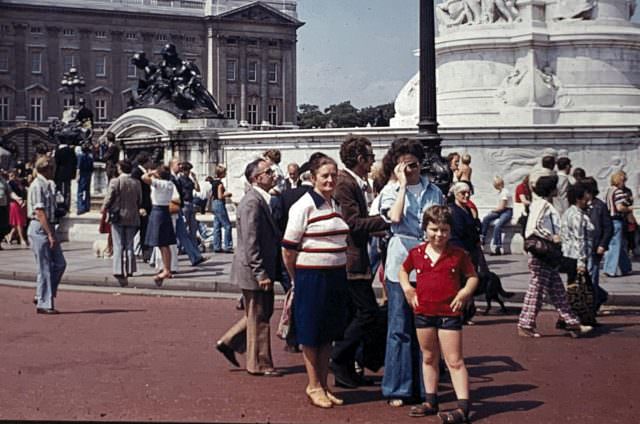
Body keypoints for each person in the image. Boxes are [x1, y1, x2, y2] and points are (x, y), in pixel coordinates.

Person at [379, 138, 445, 407]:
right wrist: (403, 187)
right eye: (403, 165)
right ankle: (398, 387)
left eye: (413, 164)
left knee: (427, 327)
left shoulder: (434, 191)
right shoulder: (390, 190)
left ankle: (424, 385)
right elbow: (394, 219)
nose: (409, 169)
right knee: (399, 327)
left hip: (429, 261)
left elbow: (441, 225)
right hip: (401, 260)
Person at [282, 154, 350, 408]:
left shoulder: (336, 204)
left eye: (334, 175)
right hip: (311, 276)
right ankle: (313, 385)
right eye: (325, 176)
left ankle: (324, 384)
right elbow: (288, 248)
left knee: (328, 331)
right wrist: (294, 278)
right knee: (311, 332)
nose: (330, 180)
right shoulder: (303, 206)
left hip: (336, 274)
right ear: (313, 178)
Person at [398, 205, 478, 422]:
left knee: (454, 360)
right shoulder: (417, 253)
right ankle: (430, 400)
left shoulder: (458, 254)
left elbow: (472, 276)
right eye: (434, 229)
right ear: (425, 229)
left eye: (444, 230)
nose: (439, 234)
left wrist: (464, 293)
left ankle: (463, 407)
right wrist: (407, 289)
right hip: (424, 312)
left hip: (448, 313)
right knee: (429, 356)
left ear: (450, 231)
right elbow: (403, 271)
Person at [330, 135, 389, 389]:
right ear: (359, 159)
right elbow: (352, 223)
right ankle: (340, 357)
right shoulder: (345, 183)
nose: (372, 162)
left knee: (357, 315)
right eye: (370, 158)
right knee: (367, 314)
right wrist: (386, 221)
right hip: (351, 260)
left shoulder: (355, 182)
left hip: (357, 257)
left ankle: (348, 366)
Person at [216, 158, 282, 377]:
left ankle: (229, 341)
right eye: (268, 172)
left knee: (259, 313)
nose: (273, 174)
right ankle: (259, 363)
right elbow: (250, 241)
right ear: (257, 178)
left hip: (258, 266)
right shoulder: (252, 202)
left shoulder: (259, 199)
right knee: (259, 316)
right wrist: (260, 271)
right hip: (254, 268)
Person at [517, 171, 593, 338]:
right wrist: (552, 236)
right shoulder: (542, 205)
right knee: (536, 290)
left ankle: (571, 322)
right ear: (551, 190)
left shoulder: (541, 204)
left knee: (557, 290)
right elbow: (535, 227)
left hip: (545, 254)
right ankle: (525, 324)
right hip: (542, 253)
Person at [27, 156, 66, 314]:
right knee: (44, 267)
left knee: (60, 264)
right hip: (39, 227)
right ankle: (44, 303)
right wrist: (50, 234)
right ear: (47, 169)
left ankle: (41, 293)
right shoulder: (37, 185)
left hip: (48, 225)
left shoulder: (48, 184)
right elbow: (40, 212)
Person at [558, 181, 597, 326]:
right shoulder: (576, 216)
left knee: (577, 289)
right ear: (578, 199)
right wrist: (581, 262)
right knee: (580, 290)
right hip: (575, 257)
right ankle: (572, 318)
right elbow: (579, 239)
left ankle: (575, 318)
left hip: (570, 256)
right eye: (585, 199)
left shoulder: (572, 213)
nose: (588, 201)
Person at [101, 160, 142, 287]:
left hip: (118, 215)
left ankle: (118, 269)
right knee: (129, 244)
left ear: (120, 168)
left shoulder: (116, 181)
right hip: (133, 215)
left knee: (118, 243)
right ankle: (130, 268)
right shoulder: (137, 182)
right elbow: (139, 200)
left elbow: (109, 197)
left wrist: (104, 207)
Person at [141, 165, 178, 286]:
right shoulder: (170, 184)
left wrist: (151, 172)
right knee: (165, 243)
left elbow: (144, 177)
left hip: (157, 211)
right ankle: (167, 268)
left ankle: (166, 269)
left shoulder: (159, 183)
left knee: (162, 243)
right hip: (165, 211)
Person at [583, 177, 613, 311]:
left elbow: (608, 228)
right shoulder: (581, 206)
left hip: (594, 247)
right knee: (585, 277)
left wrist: (603, 244)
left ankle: (592, 305)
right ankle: (600, 295)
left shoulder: (600, 206)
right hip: (582, 247)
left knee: (592, 275)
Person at [603, 170, 634, 277]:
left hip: (609, 220)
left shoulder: (609, 190)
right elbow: (620, 207)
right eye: (623, 180)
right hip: (617, 219)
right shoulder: (619, 191)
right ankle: (610, 269)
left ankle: (626, 267)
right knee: (615, 245)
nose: (624, 182)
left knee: (619, 246)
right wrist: (630, 208)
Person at [480, 176, 513, 255]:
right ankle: (482, 237)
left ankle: (497, 246)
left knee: (498, 226)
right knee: (486, 219)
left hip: (507, 211)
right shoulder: (501, 192)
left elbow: (502, 207)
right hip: (503, 211)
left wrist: (492, 211)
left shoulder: (505, 192)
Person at [131, 152, 153, 262]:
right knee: (135, 231)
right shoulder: (136, 172)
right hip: (141, 207)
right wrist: (139, 206)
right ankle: (132, 252)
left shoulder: (144, 172)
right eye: (149, 160)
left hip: (147, 206)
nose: (151, 162)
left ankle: (145, 254)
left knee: (145, 231)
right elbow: (136, 191)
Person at [210, 164, 233, 253]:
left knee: (217, 225)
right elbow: (220, 196)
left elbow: (213, 195)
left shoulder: (213, 183)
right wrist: (227, 194)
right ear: (222, 174)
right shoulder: (219, 184)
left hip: (214, 203)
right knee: (227, 225)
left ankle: (217, 246)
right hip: (219, 203)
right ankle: (228, 246)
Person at [54, 142, 77, 213]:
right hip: (68, 172)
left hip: (60, 172)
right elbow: (75, 162)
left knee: (59, 189)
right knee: (67, 190)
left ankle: (60, 204)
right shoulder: (71, 151)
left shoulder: (58, 151)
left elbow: (56, 163)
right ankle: (67, 206)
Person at [6, 170, 28, 247]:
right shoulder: (10, 183)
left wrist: (24, 200)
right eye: (11, 175)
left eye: (14, 175)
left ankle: (9, 236)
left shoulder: (19, 183)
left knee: (18, 222)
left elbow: (24, 193)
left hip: (21, 203)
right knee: (19, 222)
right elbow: (12, 194)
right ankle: (22, 239)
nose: (13, 177)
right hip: (14, 203)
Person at [76, 142, 94, 215]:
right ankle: (87, 206)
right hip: (88, 174)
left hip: (82, 174)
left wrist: (77, 176)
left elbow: (78, 167)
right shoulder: (90, 157)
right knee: (87, 191)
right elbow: (92, 168)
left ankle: (80, 208)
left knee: (80, 192)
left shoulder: (80, 156)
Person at [0, 171, 14, 250]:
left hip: (3, 206)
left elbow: (10, 192)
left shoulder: (2, 180)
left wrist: (17, 199)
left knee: (4, 226)